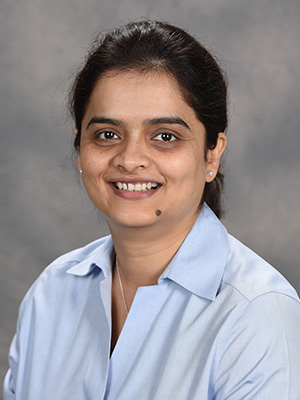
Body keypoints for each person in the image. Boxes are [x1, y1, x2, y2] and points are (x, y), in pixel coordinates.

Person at [3, 19, 300, 400]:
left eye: (165, 136)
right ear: (80, 147)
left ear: (212, 153)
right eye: (107, 135)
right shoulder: (50, 295)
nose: (130, 159)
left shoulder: (258, 314)